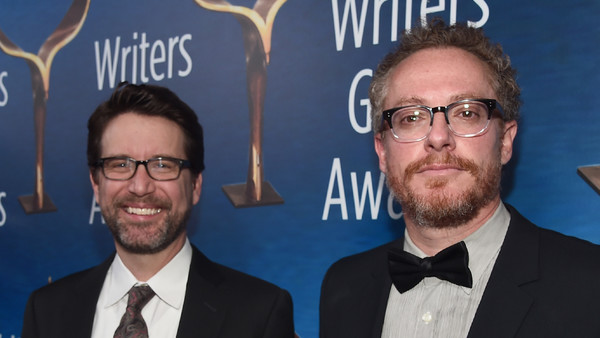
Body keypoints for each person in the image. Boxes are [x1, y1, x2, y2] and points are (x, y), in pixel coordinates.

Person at [320, 19, 600, 337]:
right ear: (382, 152)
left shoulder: (591, 284)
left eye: (466, 112)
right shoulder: (344, 287)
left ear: (506, 141)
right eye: (411, 117)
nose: (438, 137)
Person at [22, 82, 295, 338]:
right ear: (95, 183)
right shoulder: (47, 311)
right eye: (120, 164)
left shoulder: (259, 314)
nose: (140, 186)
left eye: (163, 165)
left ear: (196, 185)